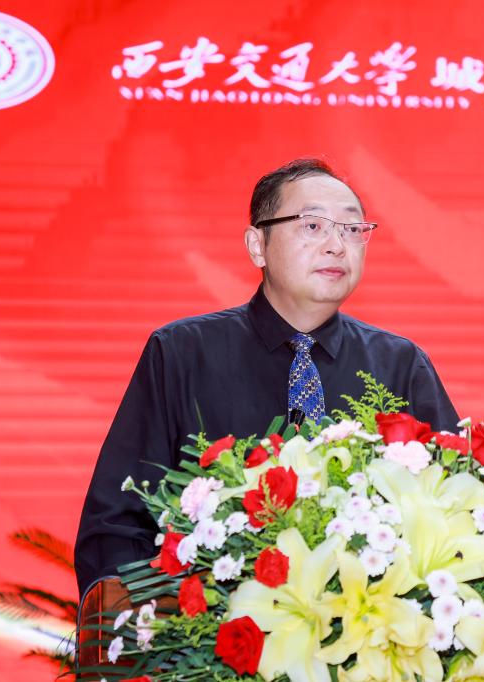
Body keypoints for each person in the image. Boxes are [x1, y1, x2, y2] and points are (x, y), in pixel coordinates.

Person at [73, 158, 459, 598]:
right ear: (257, 245)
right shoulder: (181, 353)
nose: (337, 245)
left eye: (352, 229)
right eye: (313, 226)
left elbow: (455, 505)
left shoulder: (401, 365)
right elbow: (118, 525)